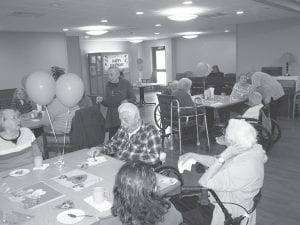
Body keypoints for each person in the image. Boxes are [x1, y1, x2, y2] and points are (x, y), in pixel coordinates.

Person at [179, 119, 267, 225]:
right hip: (225, 202)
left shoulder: (244, 167)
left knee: (178, 216)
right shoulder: (250, 151)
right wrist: (194, 156)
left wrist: (225, 154)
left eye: (225, 134)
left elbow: (204, 182)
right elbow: (218, 162)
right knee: (182, 204)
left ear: (234, 142)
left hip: (227, 213)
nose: (223, 135)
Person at [110, 161, 183, 225]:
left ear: (118, 191)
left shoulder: (111, 221)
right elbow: (179, 220)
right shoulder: (168, 210)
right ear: (154, 188)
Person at [89, 103, 162, 166]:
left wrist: (129, 160)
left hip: (136, 170)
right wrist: (100, 149)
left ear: (137, 118)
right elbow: (113, 144)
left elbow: (154, 157)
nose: (122, 124)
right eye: (120, 120)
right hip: (118, 165)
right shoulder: (122, 129)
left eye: (125, 120)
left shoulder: (150, 132)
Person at [97, 67, 136, 139]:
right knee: (113, 140)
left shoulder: (125, 83)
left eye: (111, 75)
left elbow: (134, 99)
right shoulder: (107, 85)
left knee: (125, 140)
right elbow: (107, 103)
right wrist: (102, 100)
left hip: (125, 117)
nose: (109, 77)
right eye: (108, 75)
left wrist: (127, 101)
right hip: (112, 118)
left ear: (118, 74)